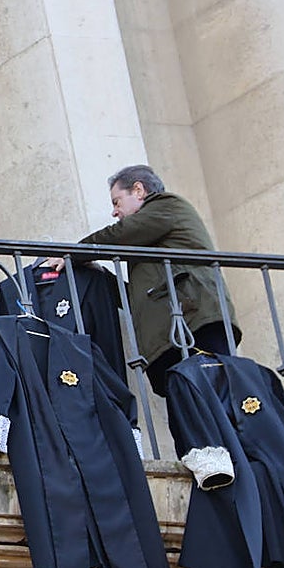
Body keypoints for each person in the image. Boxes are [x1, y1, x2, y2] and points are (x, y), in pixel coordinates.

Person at [44, 165, 240, 396]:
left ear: (138, 190)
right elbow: (136, 300)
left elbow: (119, 234)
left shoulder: (167, 205)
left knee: (217, 404)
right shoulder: (149, 241)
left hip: (195, 323)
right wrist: (99, 274)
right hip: (173, 335)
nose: (115, 213)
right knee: (193, 416)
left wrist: (72, 253)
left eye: (117, 202)